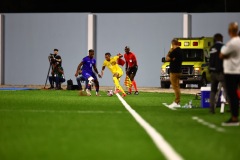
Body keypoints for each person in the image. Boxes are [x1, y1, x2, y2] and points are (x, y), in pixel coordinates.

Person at [220, 22, 240, 126]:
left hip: (231, 72)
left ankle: (234, 117)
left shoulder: (232, 43)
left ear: (229, 31)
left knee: (232, 96)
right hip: (238, 70)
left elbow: (222, 55)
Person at [209, 33, 228, 114]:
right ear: (221, 38)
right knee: (227, 90)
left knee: (213, 91)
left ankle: (211, 109)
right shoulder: (223, 47)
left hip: (212, 72)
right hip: (221, 72)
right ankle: (233, 109)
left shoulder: (212, 48)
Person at [165, 38, 182, 108]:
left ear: (172, 44)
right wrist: (172, 58)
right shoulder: (181, 51)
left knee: (175, 87)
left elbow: (167, 58)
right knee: (177, 86)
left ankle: (177, 102)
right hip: (179, 71)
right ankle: (178, 102)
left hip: (174, 71)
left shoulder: (174, 51)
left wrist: (170, 54)